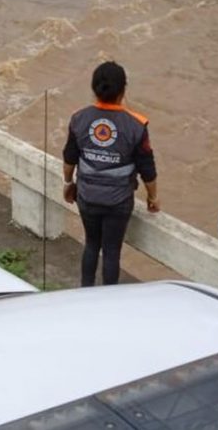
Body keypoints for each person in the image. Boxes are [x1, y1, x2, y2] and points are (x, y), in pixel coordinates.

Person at [63, 61, 159, 287]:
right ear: (123, 90)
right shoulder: (136, 125)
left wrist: (68, 183)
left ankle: (85, 290)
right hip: (118, 201)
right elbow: (147, 167)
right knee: (112, 251)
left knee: (91, 244)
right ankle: (109, 298)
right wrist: (153, 197)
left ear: (94, 89)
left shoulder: (79, 119)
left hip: (86, 196)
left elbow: (69, 158)